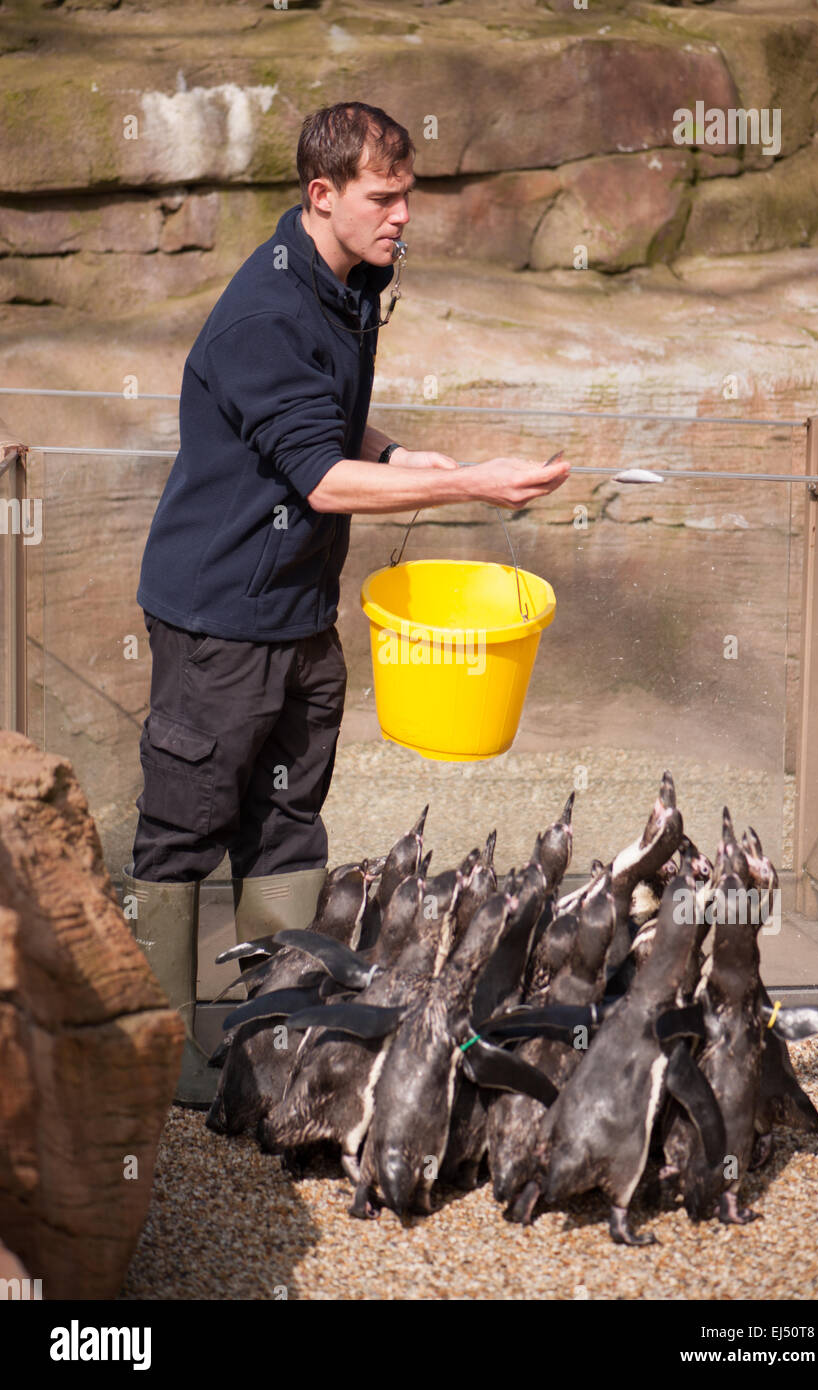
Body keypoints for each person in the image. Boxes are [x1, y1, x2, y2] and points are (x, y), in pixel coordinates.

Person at [123, 102, 571, 1104]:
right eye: (383, 196)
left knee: (287, 831)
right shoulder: (260, 315)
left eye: (408, 194)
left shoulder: (351, 281)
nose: (402, 215)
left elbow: (332, 428)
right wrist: (467, 485)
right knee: (183, 834)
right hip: (217, 621)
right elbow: (319, 480)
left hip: (298, 615)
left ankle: (263, 1037)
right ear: (320, 195)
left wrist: (402, 456)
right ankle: (146, 1057)